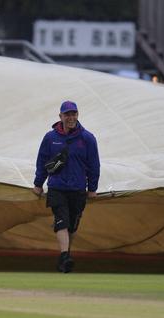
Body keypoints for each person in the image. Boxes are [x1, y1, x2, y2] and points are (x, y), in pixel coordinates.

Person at [32, 101, 100, 273]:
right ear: (60, 116)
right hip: (57, 187)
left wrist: (92, 188)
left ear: (78, 115)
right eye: (67, 114)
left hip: (78, 189)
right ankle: (64, 256)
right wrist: (38, 184)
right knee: (61, 220)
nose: (71, 117)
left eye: (74, 114)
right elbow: (42, 162)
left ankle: (65, 257)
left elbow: (94, 165)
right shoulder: (50, 138)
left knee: (72, 225)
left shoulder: (88, 139)